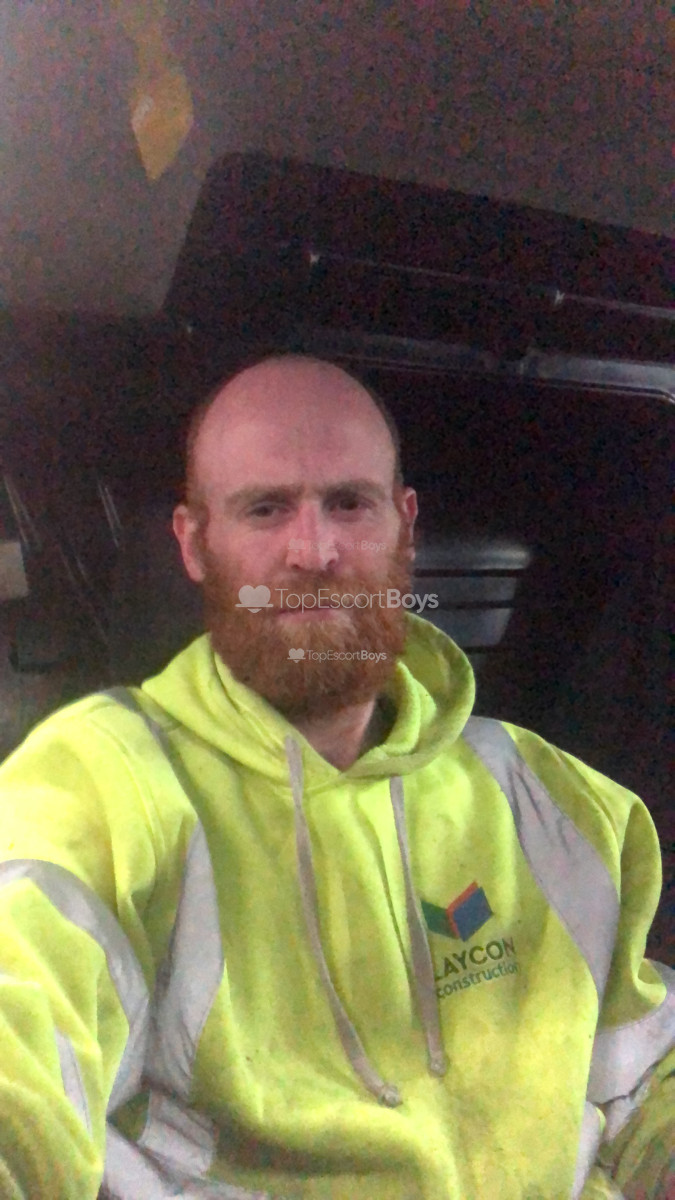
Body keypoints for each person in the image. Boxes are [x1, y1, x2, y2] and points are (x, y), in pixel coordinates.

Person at [0, 354, 672, 1200]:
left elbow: (640, 1077)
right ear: (194, 543)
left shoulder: (549, 796)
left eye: (349, 503)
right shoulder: (100, 783)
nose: (313, 551)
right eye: (265, 508)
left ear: (405, 526)